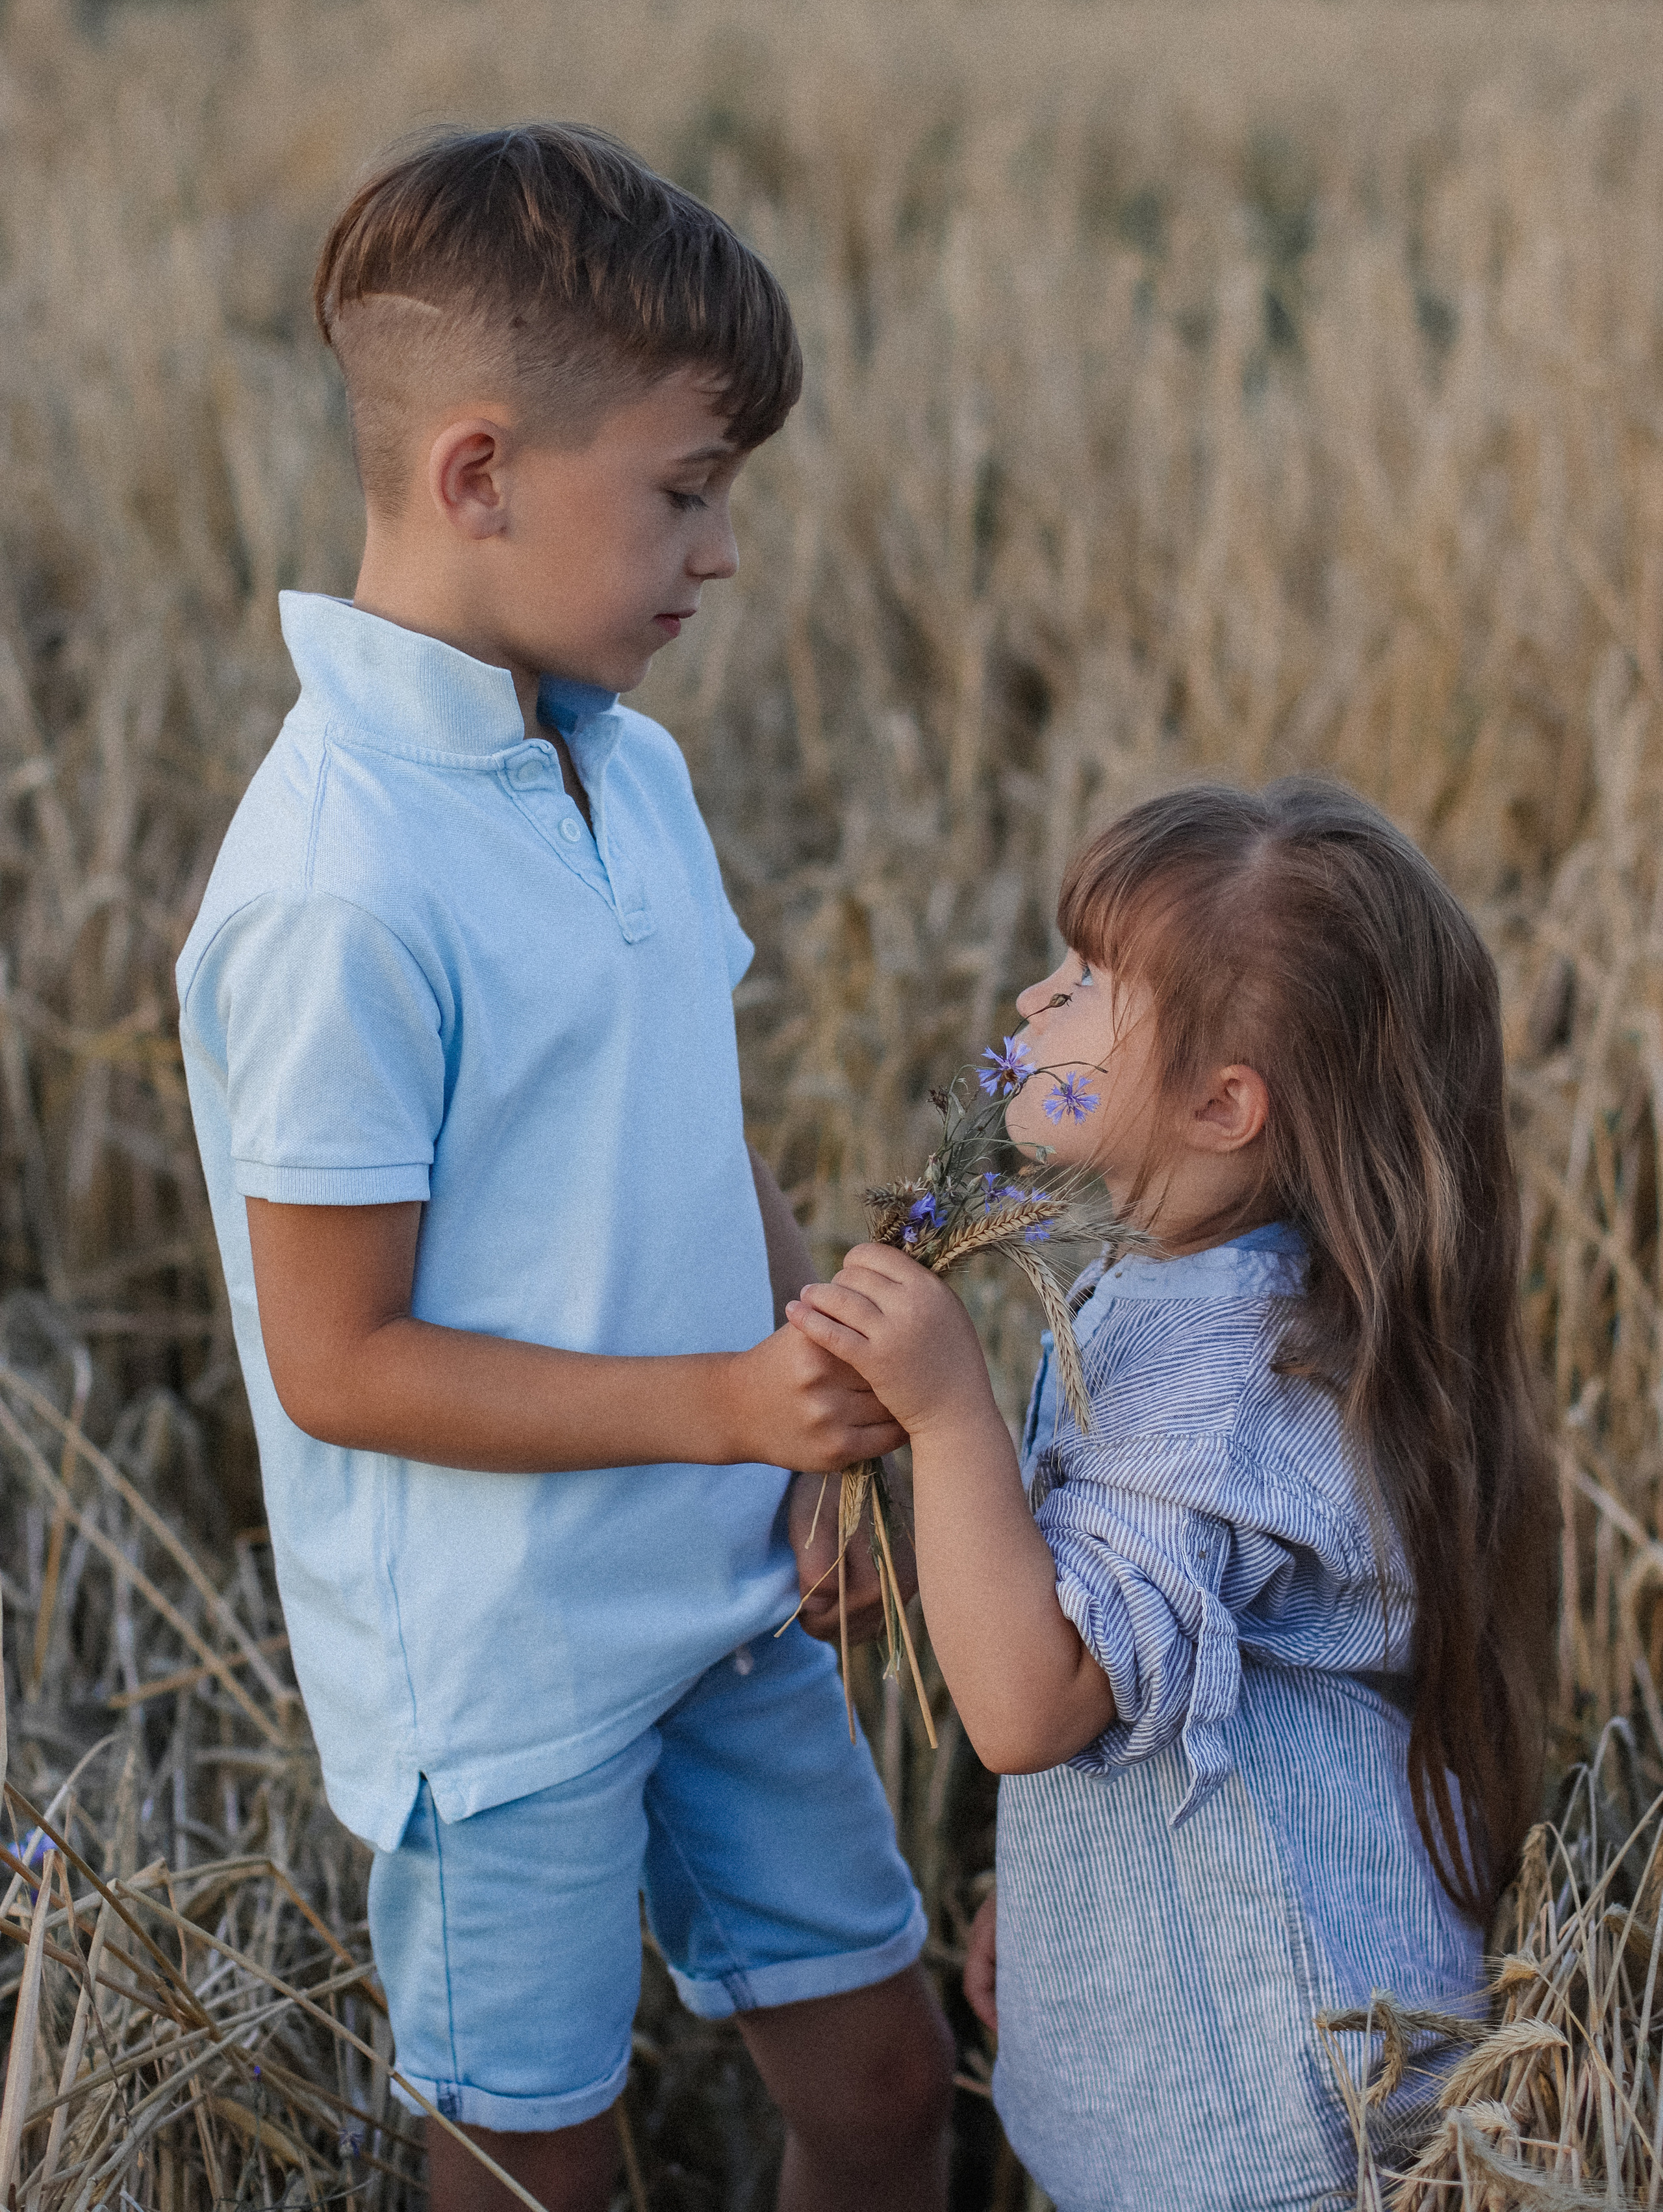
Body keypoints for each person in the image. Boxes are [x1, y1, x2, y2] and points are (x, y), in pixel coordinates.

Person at [175, 124, 954, 2212]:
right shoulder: (339, 886)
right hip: (501, 1669)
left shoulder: (630, 762)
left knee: (888, 2088)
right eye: (688, 493)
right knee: (538, 2173)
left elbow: (690, 1125)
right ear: (481, 476)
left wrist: (804, 1415)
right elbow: (339, 1361)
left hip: (715, 1593)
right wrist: (718, 1409)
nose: (721, 555)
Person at [787, 778, 1556, 2212]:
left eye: (1085, 987)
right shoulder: (1200, 1287)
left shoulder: (1228, 1376)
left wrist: (947, 1412)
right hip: (1198, 1987)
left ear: (1220, 1105)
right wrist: (1059, 1897)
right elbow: (1147, 1650)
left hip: (1261, 2080)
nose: (1031, 993)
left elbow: (1030, 1703)